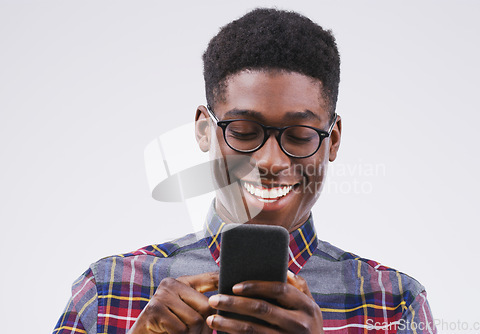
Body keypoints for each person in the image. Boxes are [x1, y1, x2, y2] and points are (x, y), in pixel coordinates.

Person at [53, 8, 435, 334]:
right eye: (243, 132)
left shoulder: (394, 305)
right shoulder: (108, 291)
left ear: (332, 140)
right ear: (205, 131)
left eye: (300, 135)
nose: (270, 161)